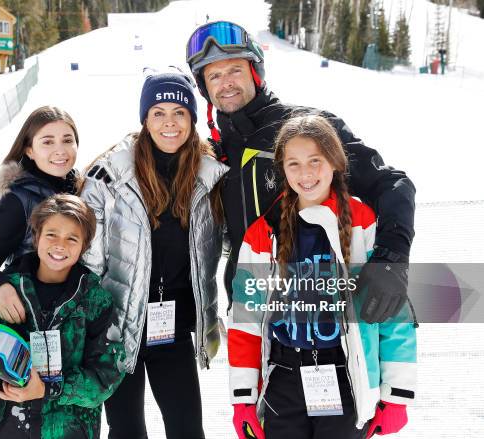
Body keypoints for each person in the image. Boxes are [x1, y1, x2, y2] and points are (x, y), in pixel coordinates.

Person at [185, 21, 416, 324]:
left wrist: (392, 258)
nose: (225, 82)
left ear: (255, 71)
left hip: (324, 316)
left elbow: (391, 184)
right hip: (254, 315)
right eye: (214, 75)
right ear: (205, 87)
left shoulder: (308, 129)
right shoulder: (214, 155)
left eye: (235, 70)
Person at [227, 115, 417, 439]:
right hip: (284, 380)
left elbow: (393, 314)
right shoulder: (262, 234)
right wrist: (243, 399)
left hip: (346, 378)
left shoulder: (364, 224)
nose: (306, 174)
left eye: (315, 161)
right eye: (294, 164)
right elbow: (245, 321)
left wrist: (396, 395)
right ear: (282, 169)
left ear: (335, 161)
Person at [80, 69, 228, 439]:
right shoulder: (109, 176)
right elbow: (87, 260)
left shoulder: (209, 178)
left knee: (187, 430)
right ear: (144, 119)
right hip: (117, 329)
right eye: (158, 112)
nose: (169, 123)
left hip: (173, 328)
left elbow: (226, 242)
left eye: (179, 113)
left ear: (192, 119)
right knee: (127, 431)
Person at [0, 194, 126, 439]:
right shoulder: (6, 289)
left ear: (84, 245)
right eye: (51, 234)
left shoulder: (95, 300)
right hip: (3, 427)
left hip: (68, 431)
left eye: (72, 238)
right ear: (36, 236)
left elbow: (107, 375)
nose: (60, 245)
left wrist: (49, 388)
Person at [0, 106, 81, 325]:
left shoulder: (82, 190)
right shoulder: (19, 201)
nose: (60, 150)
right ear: (29, 150)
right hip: (31, 323)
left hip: (74, 322)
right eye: (47, 142)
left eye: (67, 140)